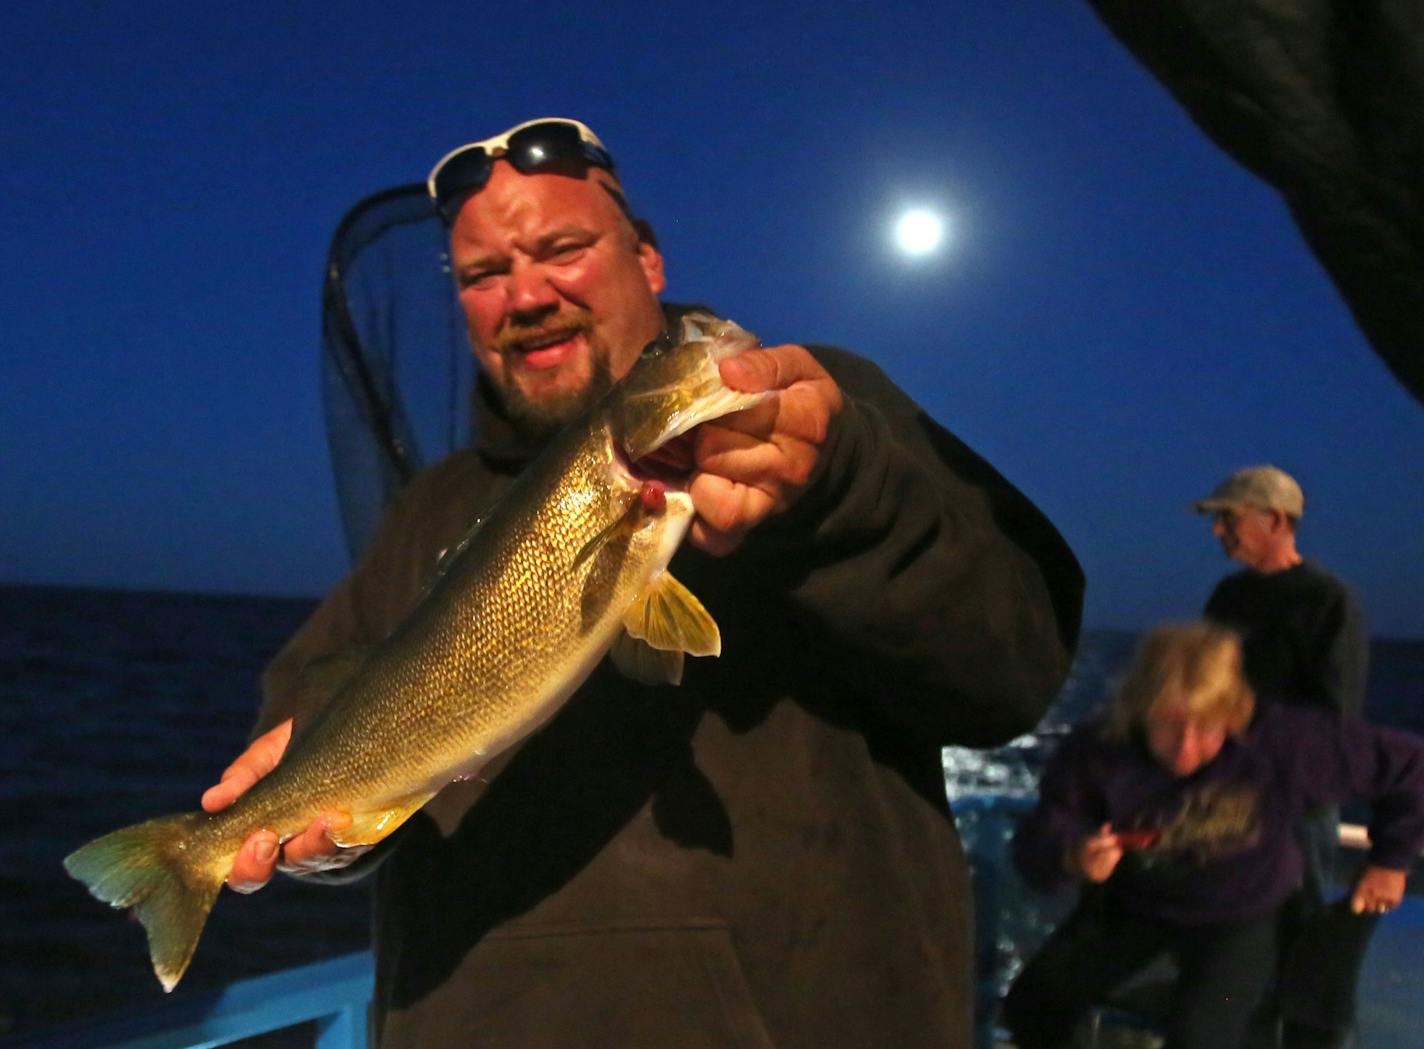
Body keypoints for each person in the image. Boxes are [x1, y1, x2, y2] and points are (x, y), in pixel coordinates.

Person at [198, 118, 1085, 1048]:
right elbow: (313, 687)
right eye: (484, 275)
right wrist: (318, 808)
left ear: (648, 260)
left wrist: (841, 494)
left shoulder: (821, 410)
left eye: (562, 248)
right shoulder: (431, 509)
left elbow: (1016, 665)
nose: (526, 294)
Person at [1002, 622, 1424, 1049]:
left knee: (1203, 1035)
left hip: (1240, 919)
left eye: (1207, 728)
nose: (1185, 748)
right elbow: (1042, 835)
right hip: (1137, 908)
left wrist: (1391, 860)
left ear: (1234, 713)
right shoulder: (1099, 749)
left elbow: (1411, 766)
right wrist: (1071, 856)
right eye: (1167, 724)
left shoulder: (1286, 741)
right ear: (1138, 710)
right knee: (1034, 1003)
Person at [1194, 464, 1373, 1047]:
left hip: (1293, 809)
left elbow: (1333, 717)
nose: (1218, 529)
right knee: (1230, 951)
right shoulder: (1227, 597)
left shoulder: (1328, 602)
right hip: (1226, 805)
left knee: (1301, 947)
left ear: (1274, 520)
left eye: (1228, 517)